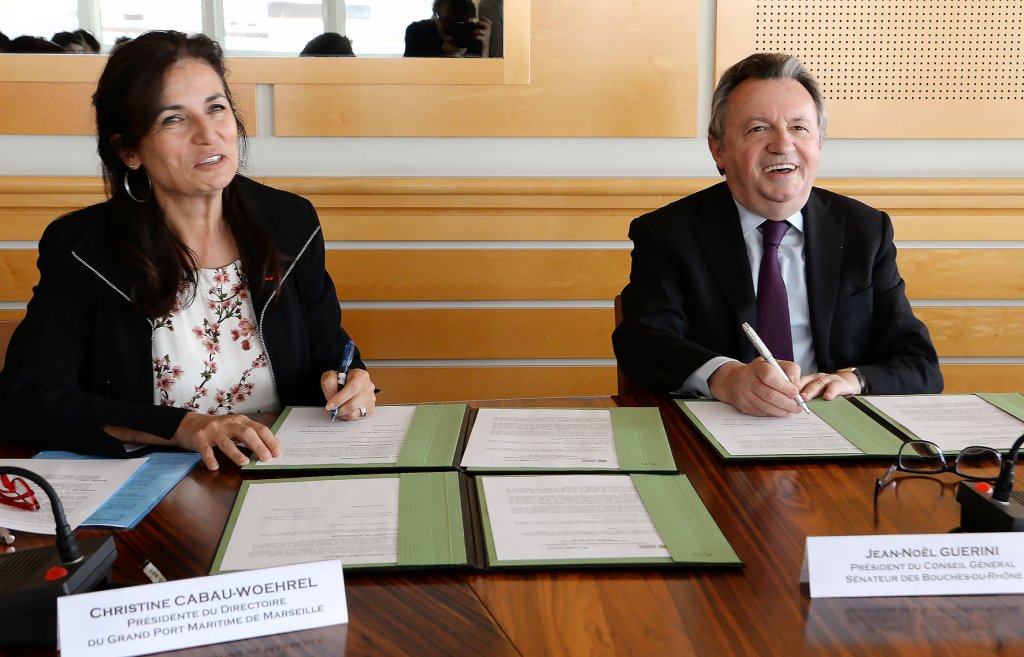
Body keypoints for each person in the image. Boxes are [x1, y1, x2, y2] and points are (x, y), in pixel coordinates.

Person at [0, 30, 377, 469]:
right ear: (128, 150)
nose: (208, 134)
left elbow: (330, 350)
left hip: (277, 470)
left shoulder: (291, 223)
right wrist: (181, 426)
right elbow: (26, 399)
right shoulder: (84, 249)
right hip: (151, 484)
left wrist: (353, 381)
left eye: (216, 108)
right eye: (174, 119)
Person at [612, 53, 942, 417]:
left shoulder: (865, 230)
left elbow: (919, 364)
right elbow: (643, 343)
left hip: (839, 428)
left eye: (800, 127)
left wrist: (854, 381)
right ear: (718, 148)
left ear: (819, 142)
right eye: (758, 128)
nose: (783, 144)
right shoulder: (669, 234)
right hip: (718, 428)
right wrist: (724, 376)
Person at [404, 0, 491, 58]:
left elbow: (484, 78)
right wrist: (445, 56)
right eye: (448, 22)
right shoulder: (418, 32)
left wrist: (485, 49)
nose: (454, 28)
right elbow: (411, 75)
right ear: (435, 14)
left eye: (462, 23)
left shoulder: (473, 33)